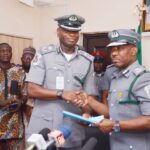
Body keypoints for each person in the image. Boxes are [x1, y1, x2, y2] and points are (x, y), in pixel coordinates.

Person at [26, 14, 97, 150]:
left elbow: (91, 99)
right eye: (67, 31)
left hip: (71, 131)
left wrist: (85, 110)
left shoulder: (87, 61)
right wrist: (61, 93)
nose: (72, 35)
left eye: (75, 31)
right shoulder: (44, 54)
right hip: (43, 130)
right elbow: (32, 89)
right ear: (58, 32)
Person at [94, 29, 150, 150]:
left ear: (134, 51)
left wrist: (115, 125)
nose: (114, 53)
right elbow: (112, 112)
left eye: (120, 48)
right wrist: (88, 100)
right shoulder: (115, 77)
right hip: (116, 144)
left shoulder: (143, 79)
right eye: (113, 49)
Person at [0, 43, 26, 150]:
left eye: (8, 51)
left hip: (14, 125)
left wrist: (21, 102)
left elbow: (25, 93)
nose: (6, 53)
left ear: (11, 53)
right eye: (2, 51)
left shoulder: (19, 71)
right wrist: (2, 103)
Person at [21, 47, 36, 124]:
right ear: (21, 59)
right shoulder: (16, 73)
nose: (28, 59)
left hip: (33, 111)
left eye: (30, 57)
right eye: (25, 57)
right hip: (18, 110)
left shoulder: (38, 75)